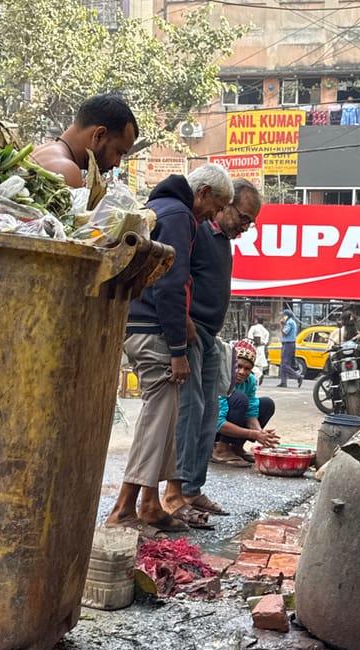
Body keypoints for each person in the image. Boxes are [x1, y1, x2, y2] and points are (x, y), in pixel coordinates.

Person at [105, 163, 234, 532]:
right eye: (216, 206)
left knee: (166, 419)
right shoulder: (178, 215)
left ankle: (149, 504)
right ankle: (124, 509)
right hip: (152, 328)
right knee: (158, 419)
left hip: (140, 324)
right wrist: (177, 351)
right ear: (203, 193)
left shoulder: (163, 207)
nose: (213, 216)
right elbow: (170, 285)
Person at [160, 179, 262, 521]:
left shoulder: (223, 241)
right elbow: (176, 278)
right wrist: (184, 321)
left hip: (209, 336)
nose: (245, 227)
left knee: (208, 415)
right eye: (243, 218)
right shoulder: (198, 229)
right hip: (192, 332)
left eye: (250, 223)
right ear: (225, 204)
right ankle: (174, 494)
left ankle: (192, 489)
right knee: (190, 413)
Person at [33, 93, 138, 188]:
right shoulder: (65, 170)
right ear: (99, 135)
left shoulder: (37, 151)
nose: (117, 164)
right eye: (118, 153)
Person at [211, 339, 279, 466]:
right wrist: (253, 434)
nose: (242, 372)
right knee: (240, 399)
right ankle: (220, 449)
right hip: (211, 431)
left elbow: (251, 412)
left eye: (247, 369)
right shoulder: (221, 379)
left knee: (267, 404)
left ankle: (236, 448)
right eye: (238, 366)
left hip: (231, 424)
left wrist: (260, 433)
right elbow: (218, 423)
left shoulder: (250, 380)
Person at [278, 309, 302, 388]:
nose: (281, 317)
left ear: (286, 316)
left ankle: (297, 376)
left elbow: (284, 333)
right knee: (283, 364)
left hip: (288, 344)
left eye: (283, 315)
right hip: (288, 344)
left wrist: (281, 325)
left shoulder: (289, 323)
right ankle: (283, 382)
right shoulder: (291, 322)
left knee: (285, 364)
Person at [247, 316, 269, 382]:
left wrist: (252, 342)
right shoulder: (265, 330)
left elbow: (250, 336)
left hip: (255, 347)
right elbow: (266, 341)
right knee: (260, 364)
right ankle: (259, 378)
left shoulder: (253, 327)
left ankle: (259, 375)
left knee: (251, 362)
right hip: (261, 348)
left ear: (256, 321)